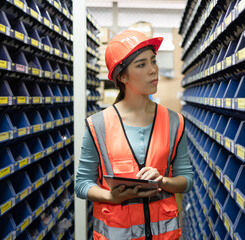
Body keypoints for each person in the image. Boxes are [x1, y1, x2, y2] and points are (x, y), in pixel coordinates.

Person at [75, 30, 194, 240]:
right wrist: (111, 197)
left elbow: (186, 180)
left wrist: (162, 181)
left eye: (153, 61)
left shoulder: (174, 121)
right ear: (122, 76)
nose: (153, 70)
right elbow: (82, 184)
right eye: (141, 64)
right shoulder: (98, 124)